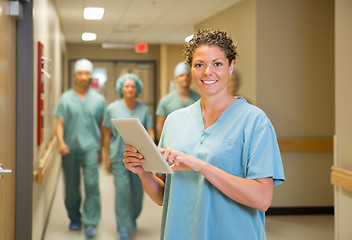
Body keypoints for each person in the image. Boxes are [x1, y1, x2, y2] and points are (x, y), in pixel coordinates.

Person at [122, 29, 285, 239]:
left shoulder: (254, 121)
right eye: (199, 65)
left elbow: (262, 199)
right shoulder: (174, 121)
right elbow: (164, 196)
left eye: (217, 63)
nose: (208, 71)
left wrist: (200, 166)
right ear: (191, 69)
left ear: (231, 66)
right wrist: (142, 171)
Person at [54, 58, 106, 238]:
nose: (84, 77)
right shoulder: (65, 98)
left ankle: (91, 221)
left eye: (87, 73)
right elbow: (59, 123)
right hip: (70, 148)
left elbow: (101, 125)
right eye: (81, 73)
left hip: (91, 147)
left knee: (92, 184)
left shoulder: (98, 100)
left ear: (91, 76)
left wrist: (100, 149)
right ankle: (75, 217)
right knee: (71, 186)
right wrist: (61, 142)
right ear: (75, 75)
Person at [103, 73, 155, 240]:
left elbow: (150, 131)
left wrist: (152, 151)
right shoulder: (112, 108)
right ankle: (123, 226)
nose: (130, 89)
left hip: (139, 159)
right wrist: (106, 158)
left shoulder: (144, 110)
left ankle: (132, 217)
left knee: (138, 193)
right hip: (119, 157)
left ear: (137, 89)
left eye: (133, 86)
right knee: (122, 191)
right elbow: (107, 135)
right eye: (127, 86)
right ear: (121, 89)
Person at [155, 61, 200, 140]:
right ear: (175, 79)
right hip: (171, 143)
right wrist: (163, 145)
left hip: (193, 143)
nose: (185, 78)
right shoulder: (165, 101)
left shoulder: (199, 99)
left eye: (187, 75)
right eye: (181, 75)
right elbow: (160, 125)